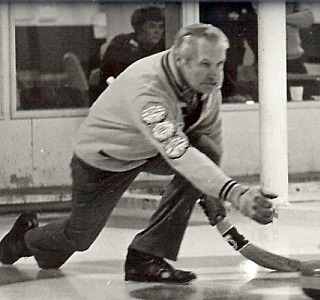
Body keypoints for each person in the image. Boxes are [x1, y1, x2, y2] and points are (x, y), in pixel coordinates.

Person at [0, 24, 275, 284]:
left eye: (219, 64)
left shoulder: (205, 86)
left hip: (148, 151)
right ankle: (22, 239)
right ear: (181, 60)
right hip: (105, 160)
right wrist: (236, 193)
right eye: (205, 64)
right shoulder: (148, 88)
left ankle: (146, 256)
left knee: (206, 148)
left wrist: (214, 196)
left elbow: (210, 143)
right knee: (77, 239)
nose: (215, 75)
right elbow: (178, 153)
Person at [91, 6, 166, 102]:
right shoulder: (121, 44)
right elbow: (111, 79)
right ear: (139, 28)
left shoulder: (163, 46)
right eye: (152, 26)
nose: (157, 31)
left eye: (161, 27)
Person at [200, 2, 258, 102]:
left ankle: (229, 93)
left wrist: (260, 57)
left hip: (233, 51)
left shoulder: (243, 6)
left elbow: (254, 32)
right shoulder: (202, 7)